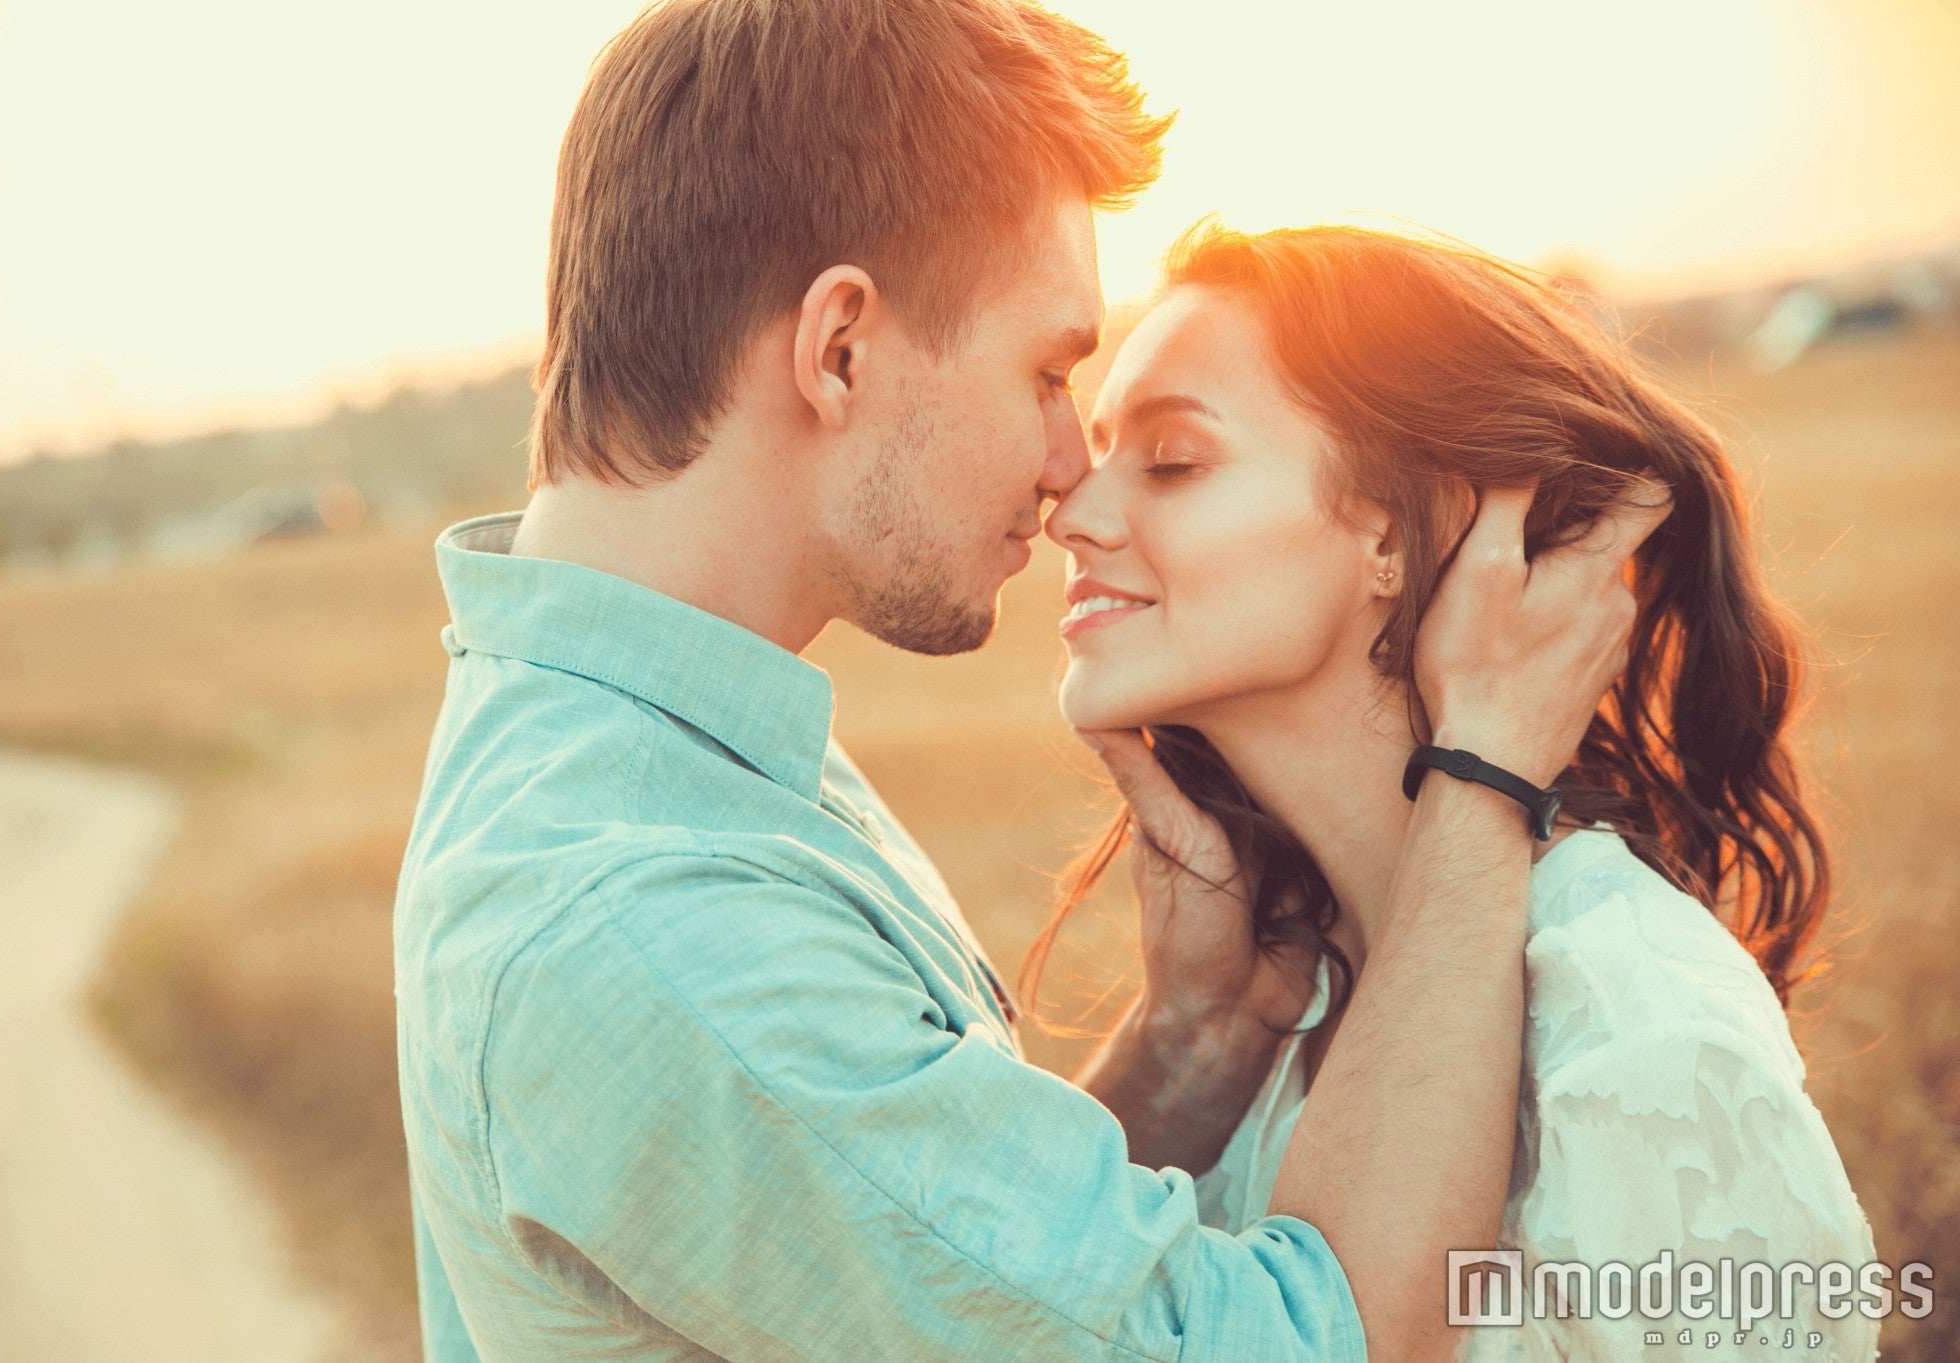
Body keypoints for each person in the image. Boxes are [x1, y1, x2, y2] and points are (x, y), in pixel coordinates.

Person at [392, 1, 1661, 1358]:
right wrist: (1486, 774)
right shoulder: (645, 913)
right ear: (840, 350)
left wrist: (1192, 1040)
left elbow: (903, 1279)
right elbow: (1301, 1341)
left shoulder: (647, 748)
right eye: (1051, 371)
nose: (1069, 468)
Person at [1037, 222, 1879, 1361]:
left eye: (1172, 460)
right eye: (1096, 452)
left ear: (1394, 526)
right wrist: (1187, 1038)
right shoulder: (1282, 1006)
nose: (1071, 513)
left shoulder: (1635, 1028)